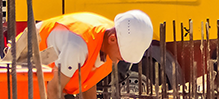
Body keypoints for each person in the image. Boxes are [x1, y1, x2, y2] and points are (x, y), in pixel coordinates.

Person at [12, 10, 154, 99]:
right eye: (123, 54)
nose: (121, 60)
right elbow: (53, 88)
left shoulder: (112, 41)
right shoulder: (79, 45)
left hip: (52, 73)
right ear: (112, 39)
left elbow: (87, 81)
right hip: (24, 62)